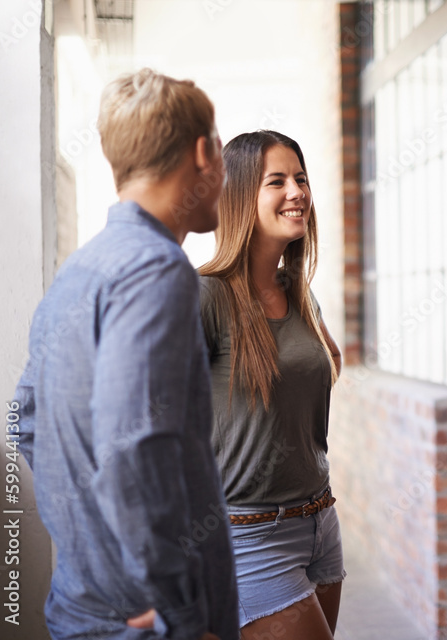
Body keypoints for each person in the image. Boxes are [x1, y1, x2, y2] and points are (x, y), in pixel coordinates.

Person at [13, 69, 237, 640]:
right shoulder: (156, 269)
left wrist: (92, 547)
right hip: (147, 623)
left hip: (85, 603)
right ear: (203, 153)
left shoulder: (80, 270)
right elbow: (137, 445)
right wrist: (181, 613)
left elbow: (26, 419)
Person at [198, 130, 345, 639]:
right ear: (239, 194)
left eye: (301, 179)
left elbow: (326, 367)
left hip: (320, 522)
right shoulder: (205, 296)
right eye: (277, 181)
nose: (297, 192)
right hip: (247, 535)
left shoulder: (298, 292)